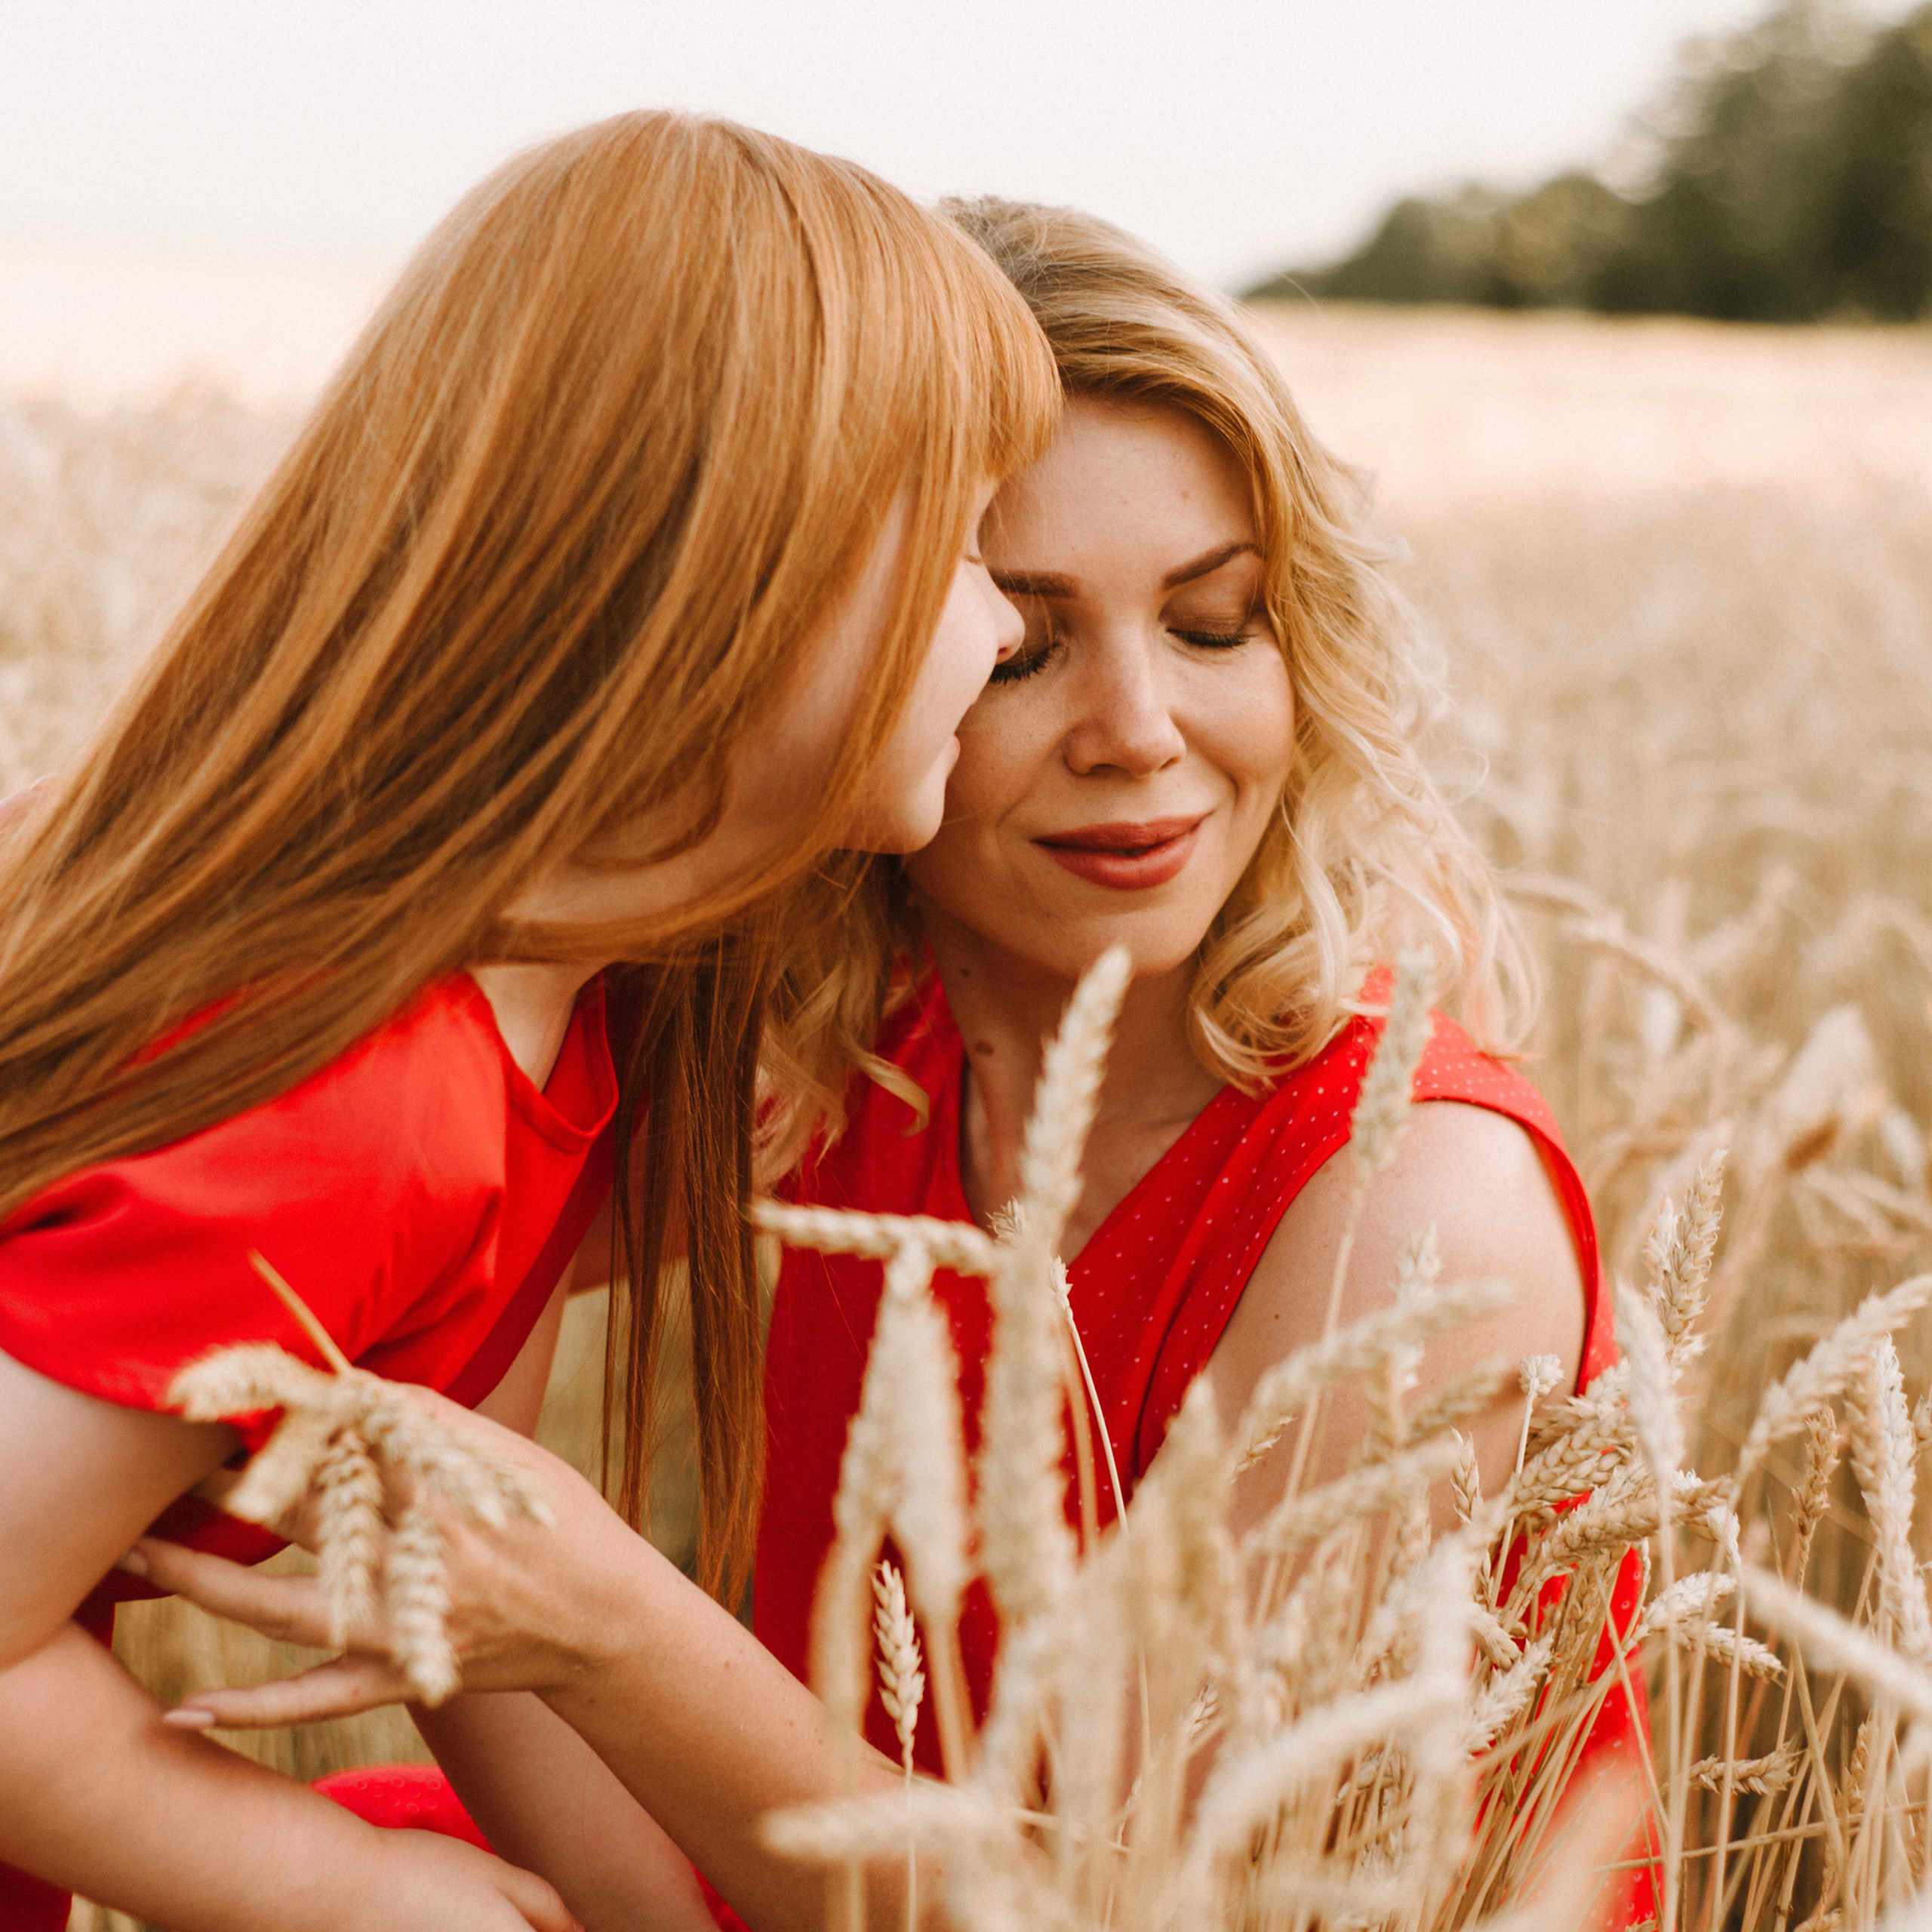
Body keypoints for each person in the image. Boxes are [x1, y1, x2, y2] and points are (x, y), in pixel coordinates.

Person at [138, 200, 1649, 1924]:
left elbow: (1122, 1906)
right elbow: (412, 1361)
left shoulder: (1410, 1202)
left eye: (1213, 621)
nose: (1138, 731)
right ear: (826, 652)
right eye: (1019, 640)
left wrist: (606, 1619)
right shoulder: (811, 1038)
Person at [0, 116, 1060, 1932]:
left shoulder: (559, 1032)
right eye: (964, 546)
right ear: (745, 565)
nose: (1003, 619)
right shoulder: (359, 1107)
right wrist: (351, 1888)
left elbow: (460, 1564)